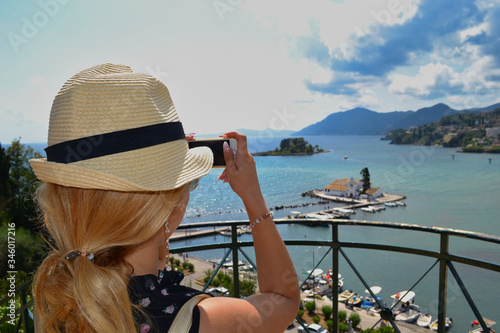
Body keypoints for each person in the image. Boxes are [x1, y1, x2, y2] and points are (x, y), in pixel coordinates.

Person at [30, 63, 300, 333]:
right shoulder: (207, 322)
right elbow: (284, 299)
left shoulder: (55, 300)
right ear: (164, 208)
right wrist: (253, 197)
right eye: (188, 182)